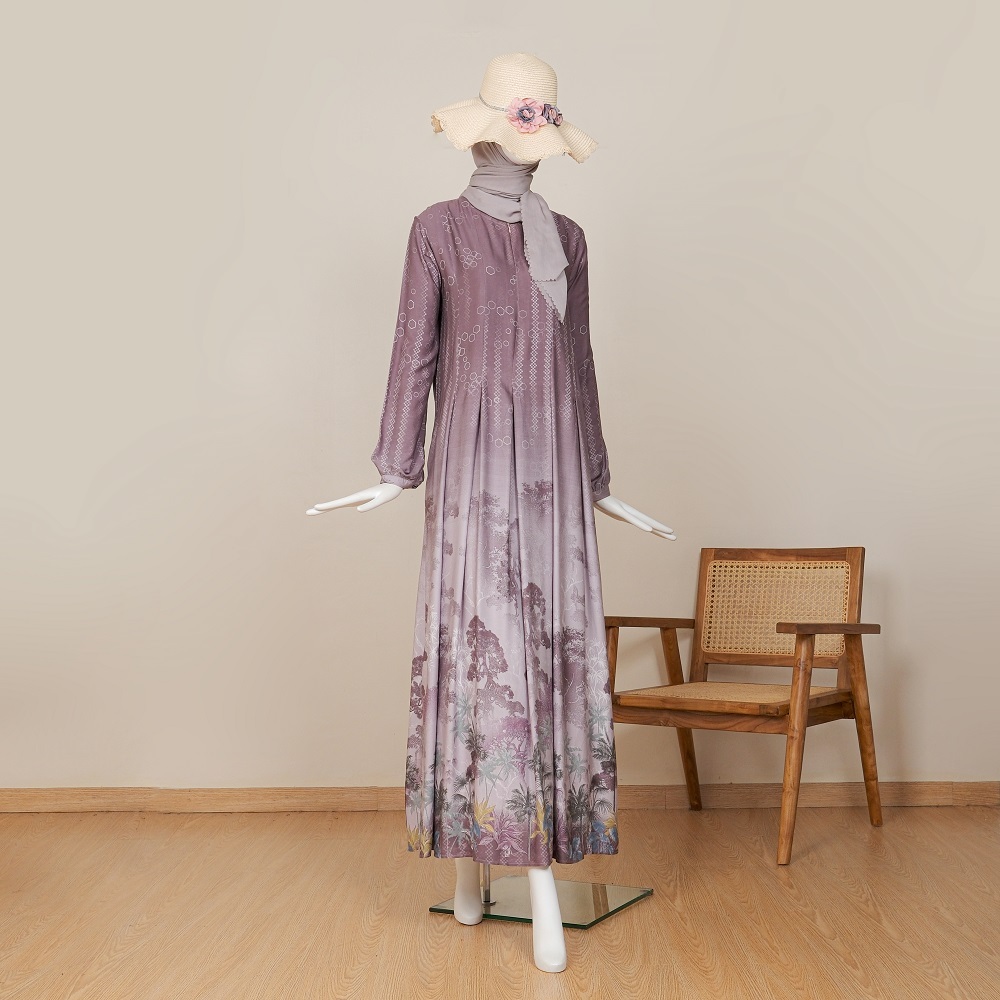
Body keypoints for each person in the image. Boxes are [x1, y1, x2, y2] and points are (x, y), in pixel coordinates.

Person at [309, 52, 674, 974]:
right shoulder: (437, 229)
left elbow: (579, 364)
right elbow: (414, 354)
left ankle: (496, 873)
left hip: (555, 469)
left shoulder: (570, 239)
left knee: (544, 650)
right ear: (484, 136)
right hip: (474, 473)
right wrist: (395, 467)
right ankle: (497, 868)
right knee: (489, 654)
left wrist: (600, 478)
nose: (525, 149)